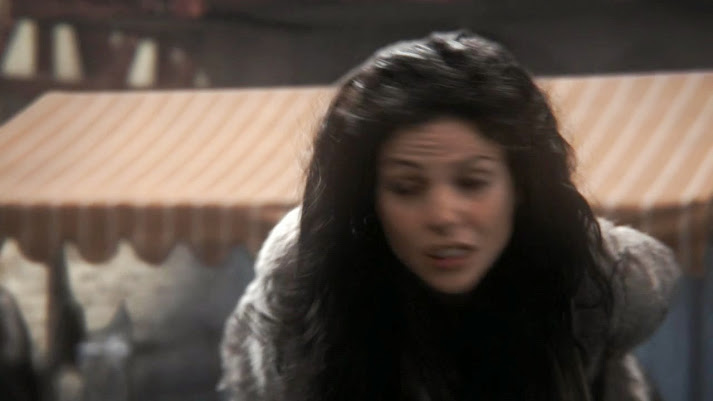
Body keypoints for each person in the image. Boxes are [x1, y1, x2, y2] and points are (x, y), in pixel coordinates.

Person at [219, 31, 679, 401]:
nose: (442, 215)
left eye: (473, 182)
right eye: (406, 187)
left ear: (521, 186)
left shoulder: (599, 275)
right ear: (368, 198)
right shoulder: (305, 280)